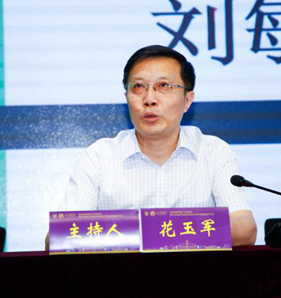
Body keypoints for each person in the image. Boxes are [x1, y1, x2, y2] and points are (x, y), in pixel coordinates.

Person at [56, 45, 257, 246]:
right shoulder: (99, 157)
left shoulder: (213, 152)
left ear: (187, 100)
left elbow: (245, 229)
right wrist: (165, 231)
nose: (149, 99)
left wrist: (158, 231)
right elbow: (58, 238)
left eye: (164, 86)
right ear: (126, 98)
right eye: (138, 86)